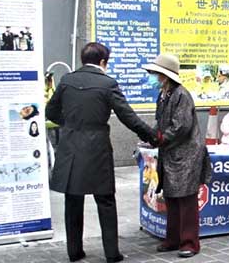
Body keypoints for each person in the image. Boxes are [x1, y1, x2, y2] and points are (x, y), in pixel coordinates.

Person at [46, 42, 153, 262]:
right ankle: (112, 254)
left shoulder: (66, 80)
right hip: (97, 149)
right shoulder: (107, 83)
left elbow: (51, 111)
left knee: (72, 200)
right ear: (103, 61)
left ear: (83, 59)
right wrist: (152, 136)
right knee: (105, 201)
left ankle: (74, 252)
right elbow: (128, 116)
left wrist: (69, 124)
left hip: (70, 147)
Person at [142, 53, 211, 259]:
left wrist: (161, 138)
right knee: (171, 197)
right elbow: (160, 121)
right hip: (171, 153)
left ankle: (189, 242)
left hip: (186, 154)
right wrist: (152, 136)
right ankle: (173, 238)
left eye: (156, 74)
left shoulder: (182, 95)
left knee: (186, 199)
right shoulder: (164, 95)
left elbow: (181, 126)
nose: (153, 77)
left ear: (165, 76)